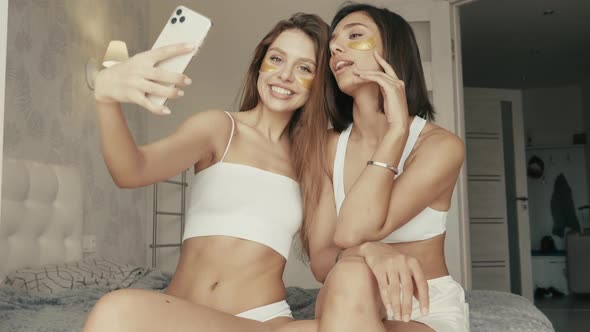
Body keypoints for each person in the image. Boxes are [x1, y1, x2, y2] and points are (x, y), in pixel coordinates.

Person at [83, 13, 330, 332]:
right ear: (260, 65)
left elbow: (324, 262)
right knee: (114, 310)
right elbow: (132, 171)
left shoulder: (314, 161)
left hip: (263, 320)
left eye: (304, 68)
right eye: (276, 59)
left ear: (319, 83)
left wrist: (372, 255)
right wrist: (106, 98)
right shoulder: (219, 128)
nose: (284, 75)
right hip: (184, 311)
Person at [288, 4, 469, 332]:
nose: (337, 49)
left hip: (423, 304)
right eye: (332, 47)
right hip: (347, 292)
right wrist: (369, 251)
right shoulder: (325, 147)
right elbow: (323, 261)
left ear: (393, 51)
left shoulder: (440, 146)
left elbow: (350, 234)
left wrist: (398, 130)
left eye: (354, 35)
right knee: (351, 274)